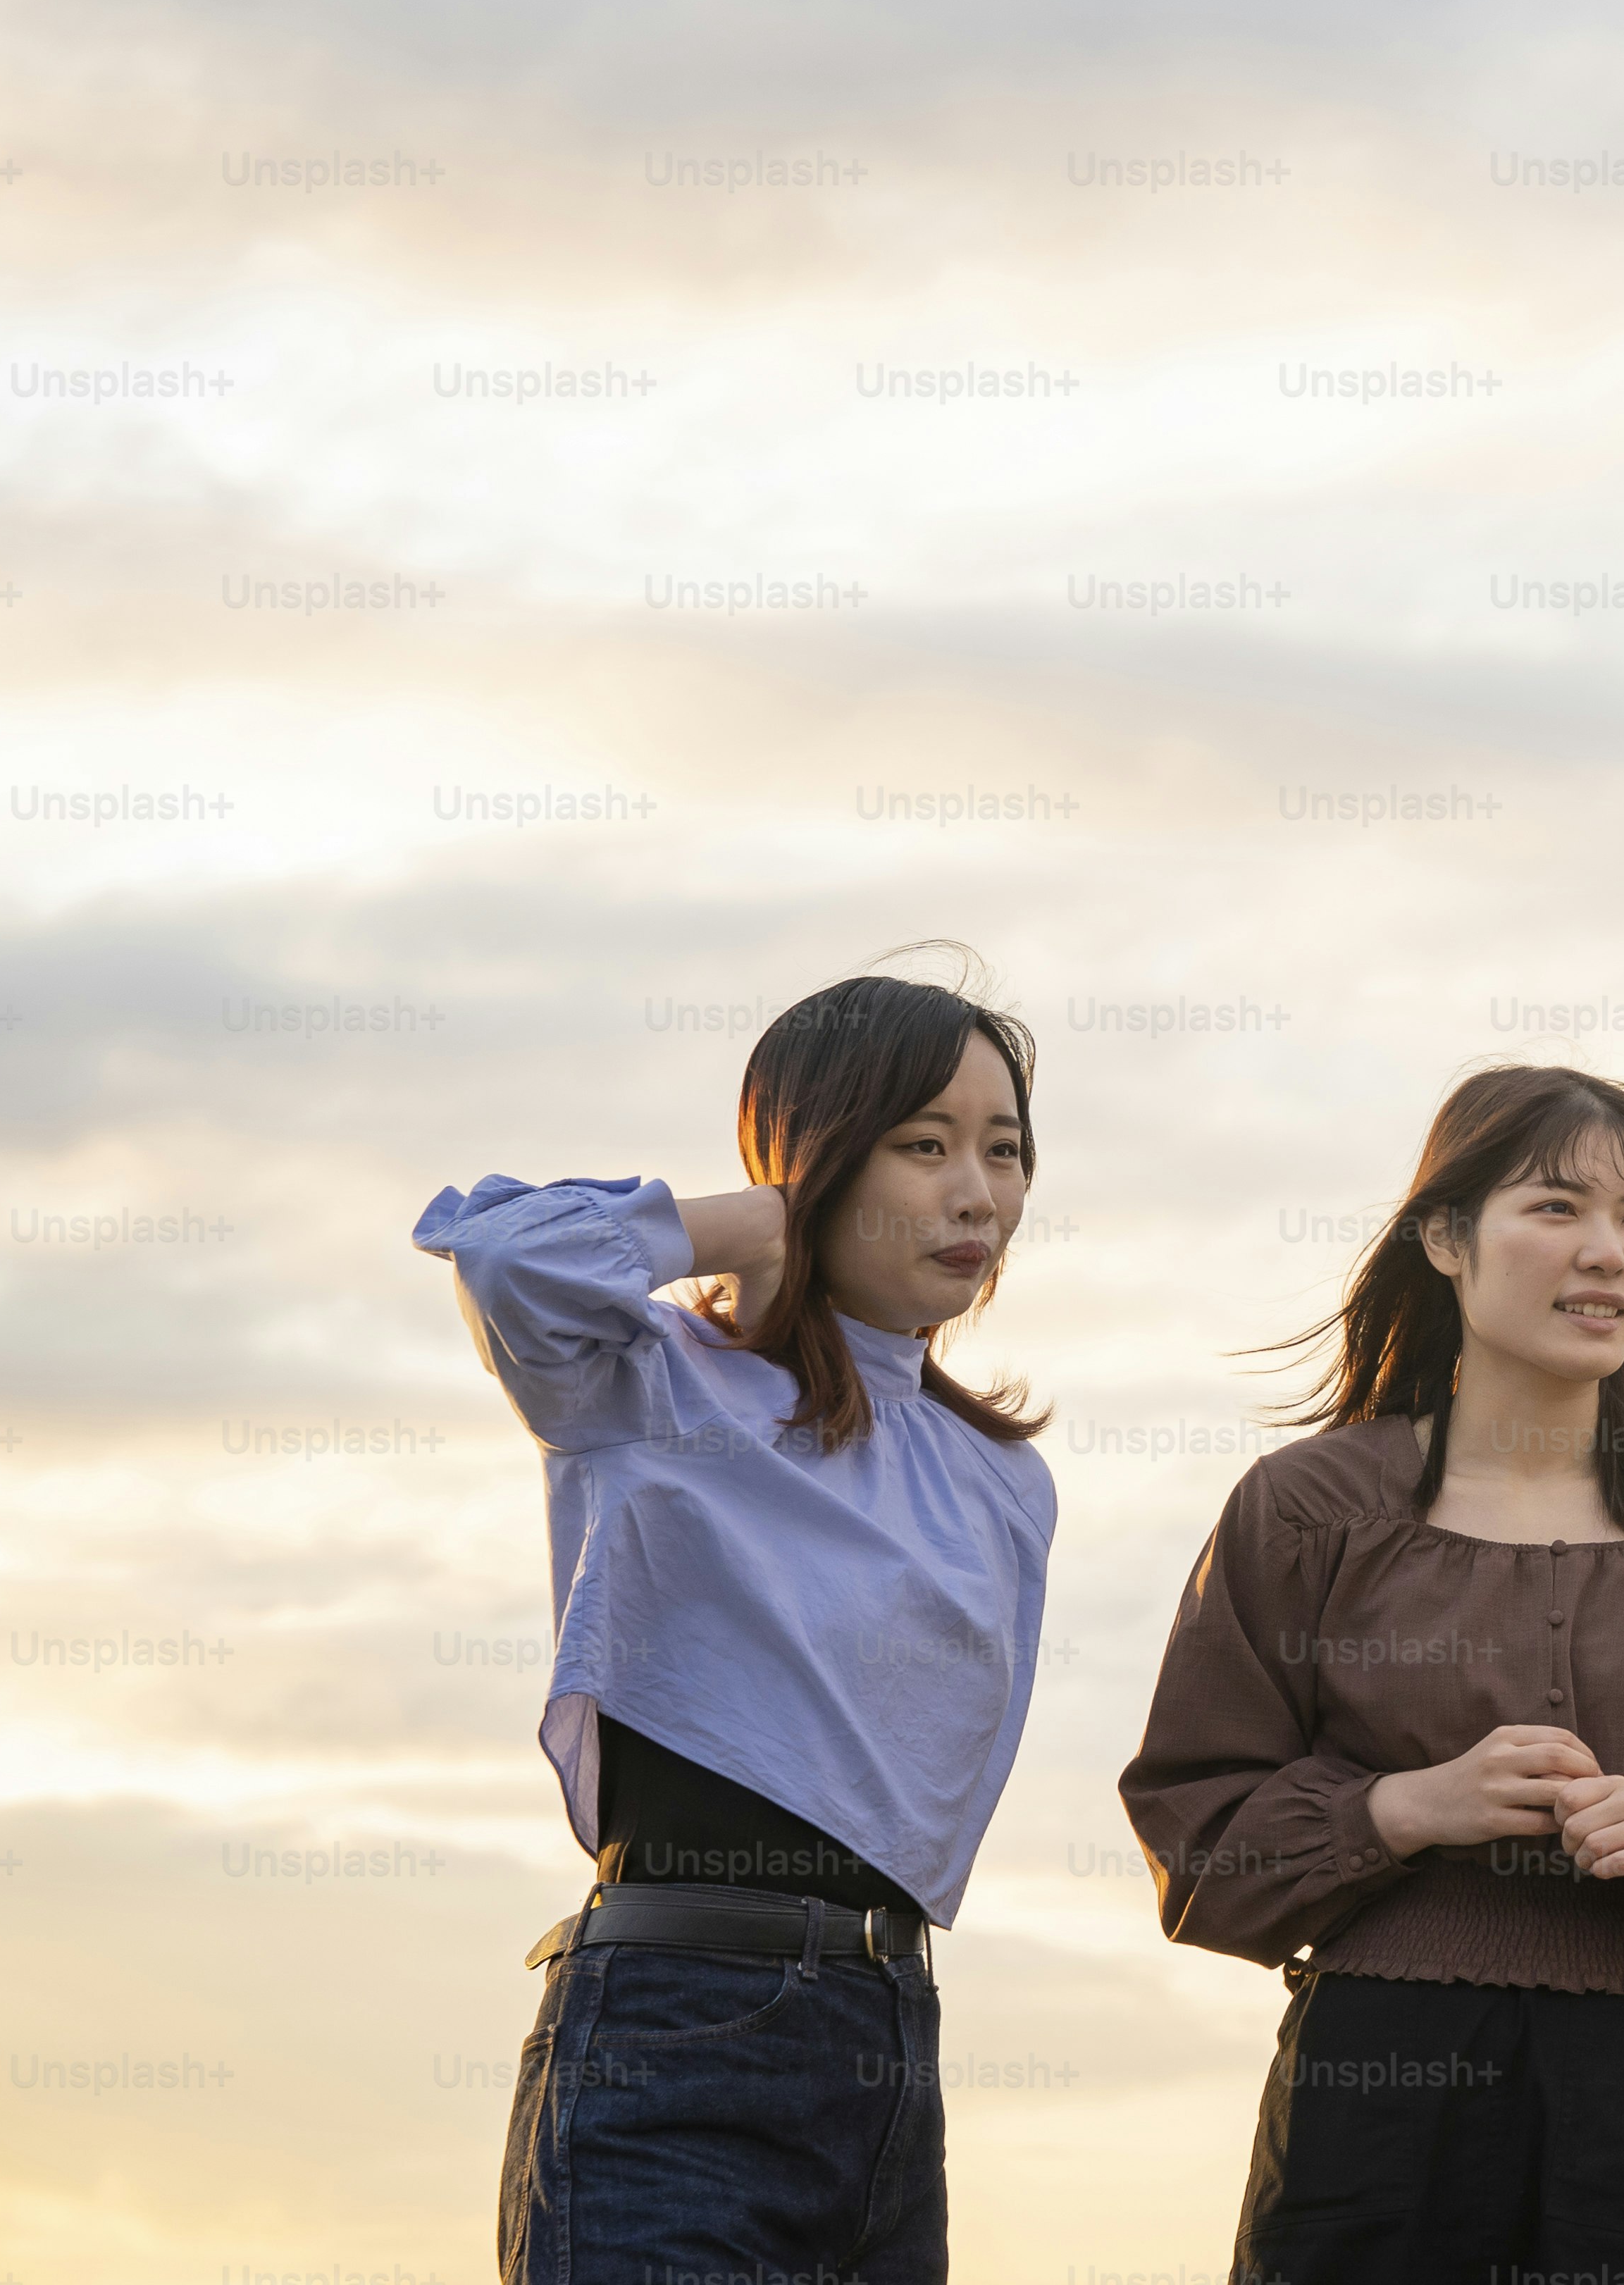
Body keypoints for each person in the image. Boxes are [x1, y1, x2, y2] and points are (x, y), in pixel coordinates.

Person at [1123, 1067, 1624, 2285]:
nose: (1608, 1253)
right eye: (1556, 1208)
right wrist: (1405, 1809)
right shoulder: (1306, 1511)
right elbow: (1197, 1848)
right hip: (1372, 2099)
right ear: (1445, 1237)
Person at [414, 959, 1058, 2285]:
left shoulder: (1003, 1476)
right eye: (921, 1144)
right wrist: (765, 1222)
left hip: (890, 2035)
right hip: (677, 2021)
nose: (975, 1193)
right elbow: (506, 1252)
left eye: (1003, 1151)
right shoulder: (651, 1379)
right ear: (819, 1159)